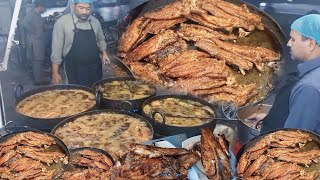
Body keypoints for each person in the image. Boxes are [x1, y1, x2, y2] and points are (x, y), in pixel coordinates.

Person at [251, 14, 320, 134]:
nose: (288, 44)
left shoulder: (309, 88)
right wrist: (271, 117)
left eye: (293, 39)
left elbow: (293, 140)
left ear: (311, 44)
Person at [51, 0, 110, 87]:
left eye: (88, 9)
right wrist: (55, 73)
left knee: (96, 92)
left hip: (94, 67)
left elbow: (101, 39)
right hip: (74, 69)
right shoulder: (62, 23)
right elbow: (57, 49)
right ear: (73, 6)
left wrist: (104, 53)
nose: (85, 12)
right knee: (77, 95)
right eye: (81, 8)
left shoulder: (95, 22)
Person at [21, 0, 50, 85]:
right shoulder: (31, 14)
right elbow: (24, 23)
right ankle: (38, 81)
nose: (45, 10)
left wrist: (50, 27)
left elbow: (43, 27)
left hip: (39, 41)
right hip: (35, 42)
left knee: (39, 60)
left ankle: (38, 77)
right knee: (37, 60)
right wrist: (33, 31)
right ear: (40, 7)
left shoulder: (39, 16)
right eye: (44, 8)